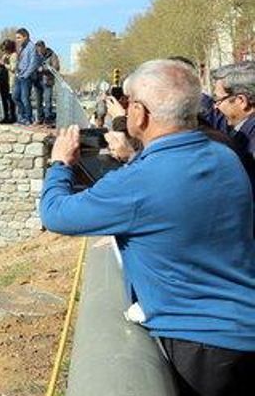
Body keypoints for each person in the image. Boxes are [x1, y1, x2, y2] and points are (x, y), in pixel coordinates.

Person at [41, 59, 255, 396]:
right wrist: (130, 157)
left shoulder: (140, 182)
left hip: (199, 347)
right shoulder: (225, 157)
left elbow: (56, 214)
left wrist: (60, 164)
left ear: (139, 114)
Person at [13, 28, 40, 125]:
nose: (17, 40)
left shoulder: (31, 47)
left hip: (26, 77)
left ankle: (28, 118)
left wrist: (25, 75)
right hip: (18, 75)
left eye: (19, 38)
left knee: (25, 98)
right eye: (16, 38)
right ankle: (22, 117)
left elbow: (33, 63)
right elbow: (19, 60)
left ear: (25, 37)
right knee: (15, 97)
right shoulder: (21, 47)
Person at [35, 40, 60, 124]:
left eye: (40, 50)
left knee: (47, 100)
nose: (39, 52)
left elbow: (56, 67)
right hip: (38, 81)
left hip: (47, 81)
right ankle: (40, 118)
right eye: (37, 50)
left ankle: (48, 118)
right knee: (38, 101)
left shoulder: (52, 55)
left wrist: (44, 69)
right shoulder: (36, 55)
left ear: (44, 48)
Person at [0, 39, 17, 123]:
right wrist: (0, 62)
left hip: (9, 80)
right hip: (2, 79)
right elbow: (2, 65)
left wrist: (4, 64)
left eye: (5, 49)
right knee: (3, 99)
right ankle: (5, 116)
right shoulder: (5, 55)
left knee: (10, 100)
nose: (4, 51)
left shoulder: (14, 55)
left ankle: (12, 117)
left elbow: (13, 68)